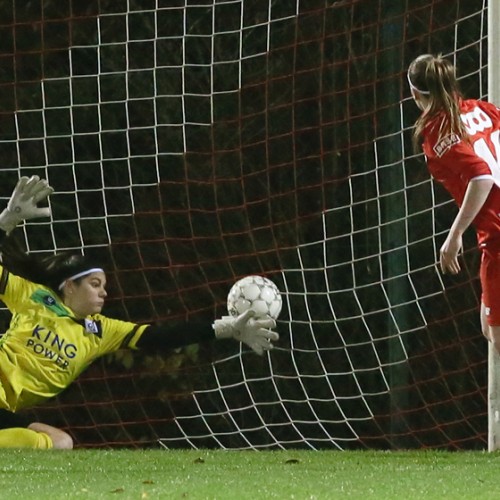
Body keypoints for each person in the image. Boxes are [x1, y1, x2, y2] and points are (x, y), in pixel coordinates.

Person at [0, 176, 279, 449]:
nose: (104, 293)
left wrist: (226, 328)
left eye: (105, 286)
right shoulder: (34, 297)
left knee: (61, 443)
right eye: (95, 284)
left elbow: (160, 337)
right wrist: (6, 223)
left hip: (4, 405)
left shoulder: (101, 331)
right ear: (70, 286)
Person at [408, 53, 500, 354]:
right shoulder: (483, 109)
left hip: (497, 235)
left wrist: (454, 236)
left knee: (497, 336)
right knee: (489, 328)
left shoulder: (436, 132)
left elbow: (482, 177)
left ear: (414, 93)